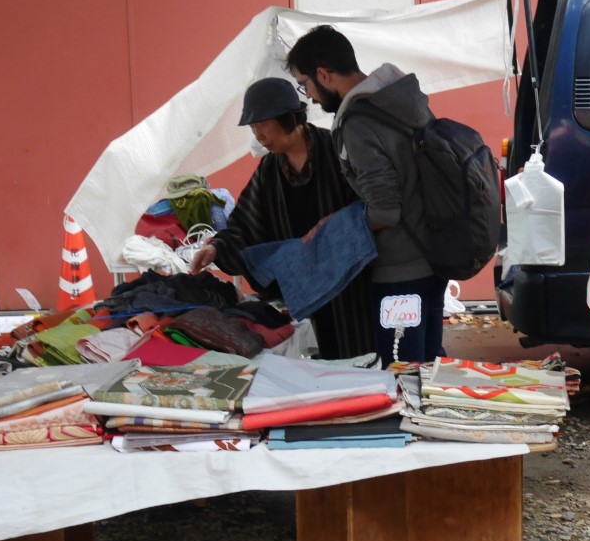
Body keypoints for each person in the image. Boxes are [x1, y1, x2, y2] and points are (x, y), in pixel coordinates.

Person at [285, 25, 446, 367]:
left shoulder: (359, 123)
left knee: (402, 373)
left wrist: (335, 224)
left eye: (305, 84)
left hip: (401, 273)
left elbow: (385, 211)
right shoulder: (400, 101)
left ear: (324, 74)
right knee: (428, 370)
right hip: (434, 257)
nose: (309, 96)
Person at [189, 77, 374, 361]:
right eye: (253, 128)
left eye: (262, 124)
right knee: (328, 362)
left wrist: (336, 224)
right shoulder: (269, 170)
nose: (258, 135)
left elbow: (371, 201)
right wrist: (215, 248)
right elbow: (243, 224)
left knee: (364, 355)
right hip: (310, 286)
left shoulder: (337, 149)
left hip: (354, 284)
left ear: (287, 117)